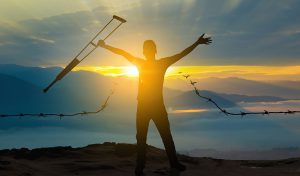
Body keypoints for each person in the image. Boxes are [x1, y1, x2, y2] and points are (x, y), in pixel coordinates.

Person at [97, 34, 212, 175]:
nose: (149, 51)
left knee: (145, 137)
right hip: (154, 105)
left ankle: (142, 169)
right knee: (162, 136)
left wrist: (105, 46)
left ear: (146, 51)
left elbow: (123, 53)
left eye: (149, 49)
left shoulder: (142, 63)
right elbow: (181, 54)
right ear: (153, 51)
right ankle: (168, 165)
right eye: (149, 49)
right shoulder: (161, 63)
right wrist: (196, 43)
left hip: (146, 106)